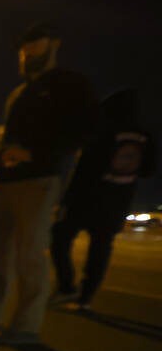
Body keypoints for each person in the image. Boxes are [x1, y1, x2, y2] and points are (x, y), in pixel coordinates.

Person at [0, 21, 98, 345]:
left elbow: (84, 133)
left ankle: (25, 326)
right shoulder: (19, 92)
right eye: (23, 46)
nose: (27, 51)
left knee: (29, 256)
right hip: (4, 182)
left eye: (35, 43)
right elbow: (6, 136)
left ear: (54, 44)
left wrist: (34, 153)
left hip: (39, 181)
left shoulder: (71, 84)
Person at [50, 89, 156, 310]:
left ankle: (67, 287)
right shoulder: (146, 136)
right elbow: (148, 170)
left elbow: (84, 169)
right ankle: (86, 298)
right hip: (118, 202)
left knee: (59, 238)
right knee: (100, 249)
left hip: (86, 198)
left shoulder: (103, 130)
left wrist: (66, 202)